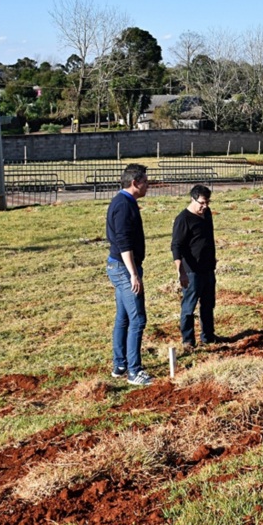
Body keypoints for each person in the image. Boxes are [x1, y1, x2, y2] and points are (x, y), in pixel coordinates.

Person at [106, 164, 152, 386]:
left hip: (119, 267)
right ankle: (134, 372)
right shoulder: (123, 205)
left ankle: (120, 365)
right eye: (145, 182)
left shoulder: (125, 202)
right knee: (137, 319)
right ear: (135, 183)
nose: (148, 186)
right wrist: (133, 274)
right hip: (124, 269)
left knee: (123, 317)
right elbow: (123, 242)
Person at [171, 184, 218, 347]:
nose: (205, 206)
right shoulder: (183, 219)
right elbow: (176, 246)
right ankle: (188, 341)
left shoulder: (207, 213)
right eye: (202, 203)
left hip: (208, 268)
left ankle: (208, 337)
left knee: (208, 304)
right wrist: (181, 271)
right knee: (189, 307)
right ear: (192, 199)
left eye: (208, 203)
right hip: (192, 271)